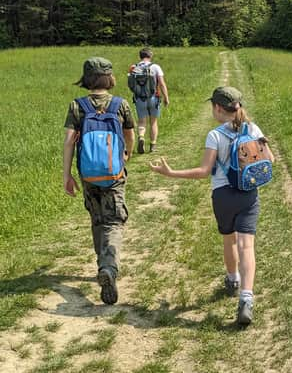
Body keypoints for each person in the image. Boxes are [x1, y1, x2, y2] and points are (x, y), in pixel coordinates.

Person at [149, 87, 273, 326]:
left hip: (223, 195)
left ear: (218, 108)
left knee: (229, 239)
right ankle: (246, 298)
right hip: (249, 194)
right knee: (247, 245)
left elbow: (204, 171)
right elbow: (271, 160)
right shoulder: (253, 128)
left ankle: (232, 279)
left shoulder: (215, 135)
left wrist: (171, 173)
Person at [63, 57, 136, 305]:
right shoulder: (120, 104)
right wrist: (125, 156)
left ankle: (101, 264)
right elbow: (130, 136)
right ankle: (109, 267)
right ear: (109, 77)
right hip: (114, 173)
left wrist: (67, 175)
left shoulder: (77, 106)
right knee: (113, 221)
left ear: (87, 79)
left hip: (88, 174)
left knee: (96, 217)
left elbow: (69, 142)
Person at [128, 48, 169, 154]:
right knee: (153, 122)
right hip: (153, 98)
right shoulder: (155, 67)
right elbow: (161, 83)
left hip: (139, 98)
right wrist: (166, 97)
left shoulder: (134, 67)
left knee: (142, 122)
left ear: (140, 56)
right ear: (150, 56)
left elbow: (131, 84)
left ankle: (141, 137)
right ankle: (152, 146)